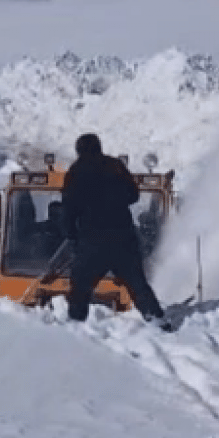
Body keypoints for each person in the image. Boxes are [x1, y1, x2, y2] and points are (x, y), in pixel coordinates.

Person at [60, 133, 172, 331]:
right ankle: (157, 321)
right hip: (123, 238)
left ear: (79, 150)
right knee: (137, 283)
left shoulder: (76, 172)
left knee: (80, 284)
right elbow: (133, 195)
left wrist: (71, 235)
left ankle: (74, 326)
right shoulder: (115, 166)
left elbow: (68, 208)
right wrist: (115, 202)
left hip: (92, 240)